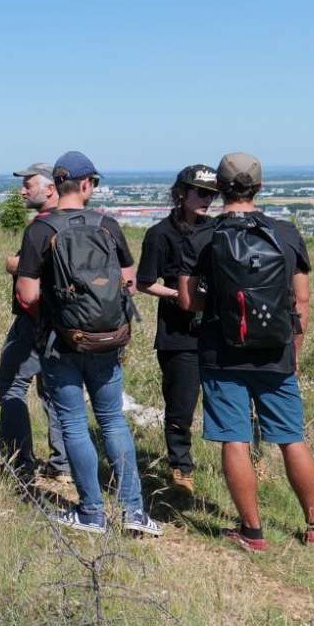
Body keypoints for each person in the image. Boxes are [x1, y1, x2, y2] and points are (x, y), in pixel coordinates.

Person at [178, 152, 314, 550]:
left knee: (235, 439)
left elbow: (188, 301)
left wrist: (220, 304)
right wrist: (294, 348)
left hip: (222, 350)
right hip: (276, 351)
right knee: (290, 438)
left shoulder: (203, 236)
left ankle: (252, 532)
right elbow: (301, 300)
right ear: (260, 186)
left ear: (219, 188)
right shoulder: (286, 233)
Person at [15, 151, 160, 536]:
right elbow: (129, 284)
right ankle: (134, 512)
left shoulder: (40, 231)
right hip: (108, 341)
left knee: (74, 424)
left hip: (59, 342)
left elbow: (27, 294)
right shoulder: (108, 225)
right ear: (85, 184)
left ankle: (92, 513)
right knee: (112, 421)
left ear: (57, 184)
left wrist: (62, 305)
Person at [136, 164, 218, 494]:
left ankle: (250, 460)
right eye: (201, 193)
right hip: (178, 333)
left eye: (212, 194)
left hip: (215, 330)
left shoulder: (217, 230)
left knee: (230, 401)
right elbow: (144, 283)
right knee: (181, 405)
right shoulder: (160, 234)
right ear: (182, 192)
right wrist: (181, 295)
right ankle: (181, 467)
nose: (207, 200)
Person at [0, 163, 69, 481]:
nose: (22, 190)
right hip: (71, 323)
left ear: (51, 188)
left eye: (29, 184)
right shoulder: (80, 222)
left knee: (11, 384)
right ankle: (64, 464)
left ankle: (20, 462)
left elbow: (30, 284)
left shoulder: (40, 227)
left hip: (36, 321)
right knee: (55, 390)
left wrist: (15, 264)